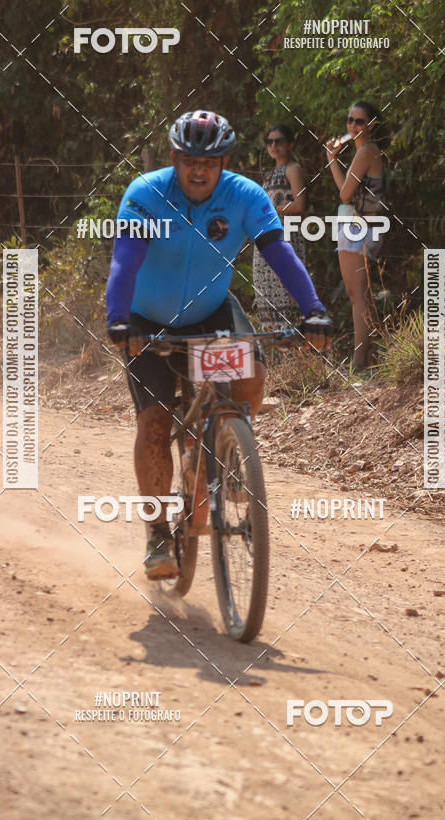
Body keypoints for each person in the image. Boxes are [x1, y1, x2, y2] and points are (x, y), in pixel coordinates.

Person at [105, 110, 333, 579]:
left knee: (251, 368)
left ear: (225, 161)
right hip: (149, 321)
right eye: (189, 159)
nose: (199, 169)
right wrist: (119, 320)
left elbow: (278, 250)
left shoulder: (244, 196)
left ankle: (230, 446)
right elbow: (124, 264)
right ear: (173, 158)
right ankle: (158, 535)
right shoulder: (146, 195)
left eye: (209, 160)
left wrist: (313, 308)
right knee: (153, 424)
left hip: (211, 312)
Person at [325, 101, 388, 371]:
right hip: (356, 224)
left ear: (371, 125)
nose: (352, 125)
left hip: (361, 227)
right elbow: (348, 192)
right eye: (349, 119)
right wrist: (334, 160)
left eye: (359, 121)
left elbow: (345, 194)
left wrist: (332, 160)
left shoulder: (367, 151)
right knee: (357, 295)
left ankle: (359, 363)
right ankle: (364, 360)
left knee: (358, 296)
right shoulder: (363, 150)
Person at [253, 124, 307, 328]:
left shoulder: (293, 169)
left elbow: (300, 204)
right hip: (267, 234)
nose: (273, 145)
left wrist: (273, 210)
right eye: (270, 141)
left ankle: (291, 344)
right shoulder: (271, 173)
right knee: (265, 291)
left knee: (285, 289)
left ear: (290, 144)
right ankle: (274, 346)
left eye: (279, 141)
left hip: (287, 233)